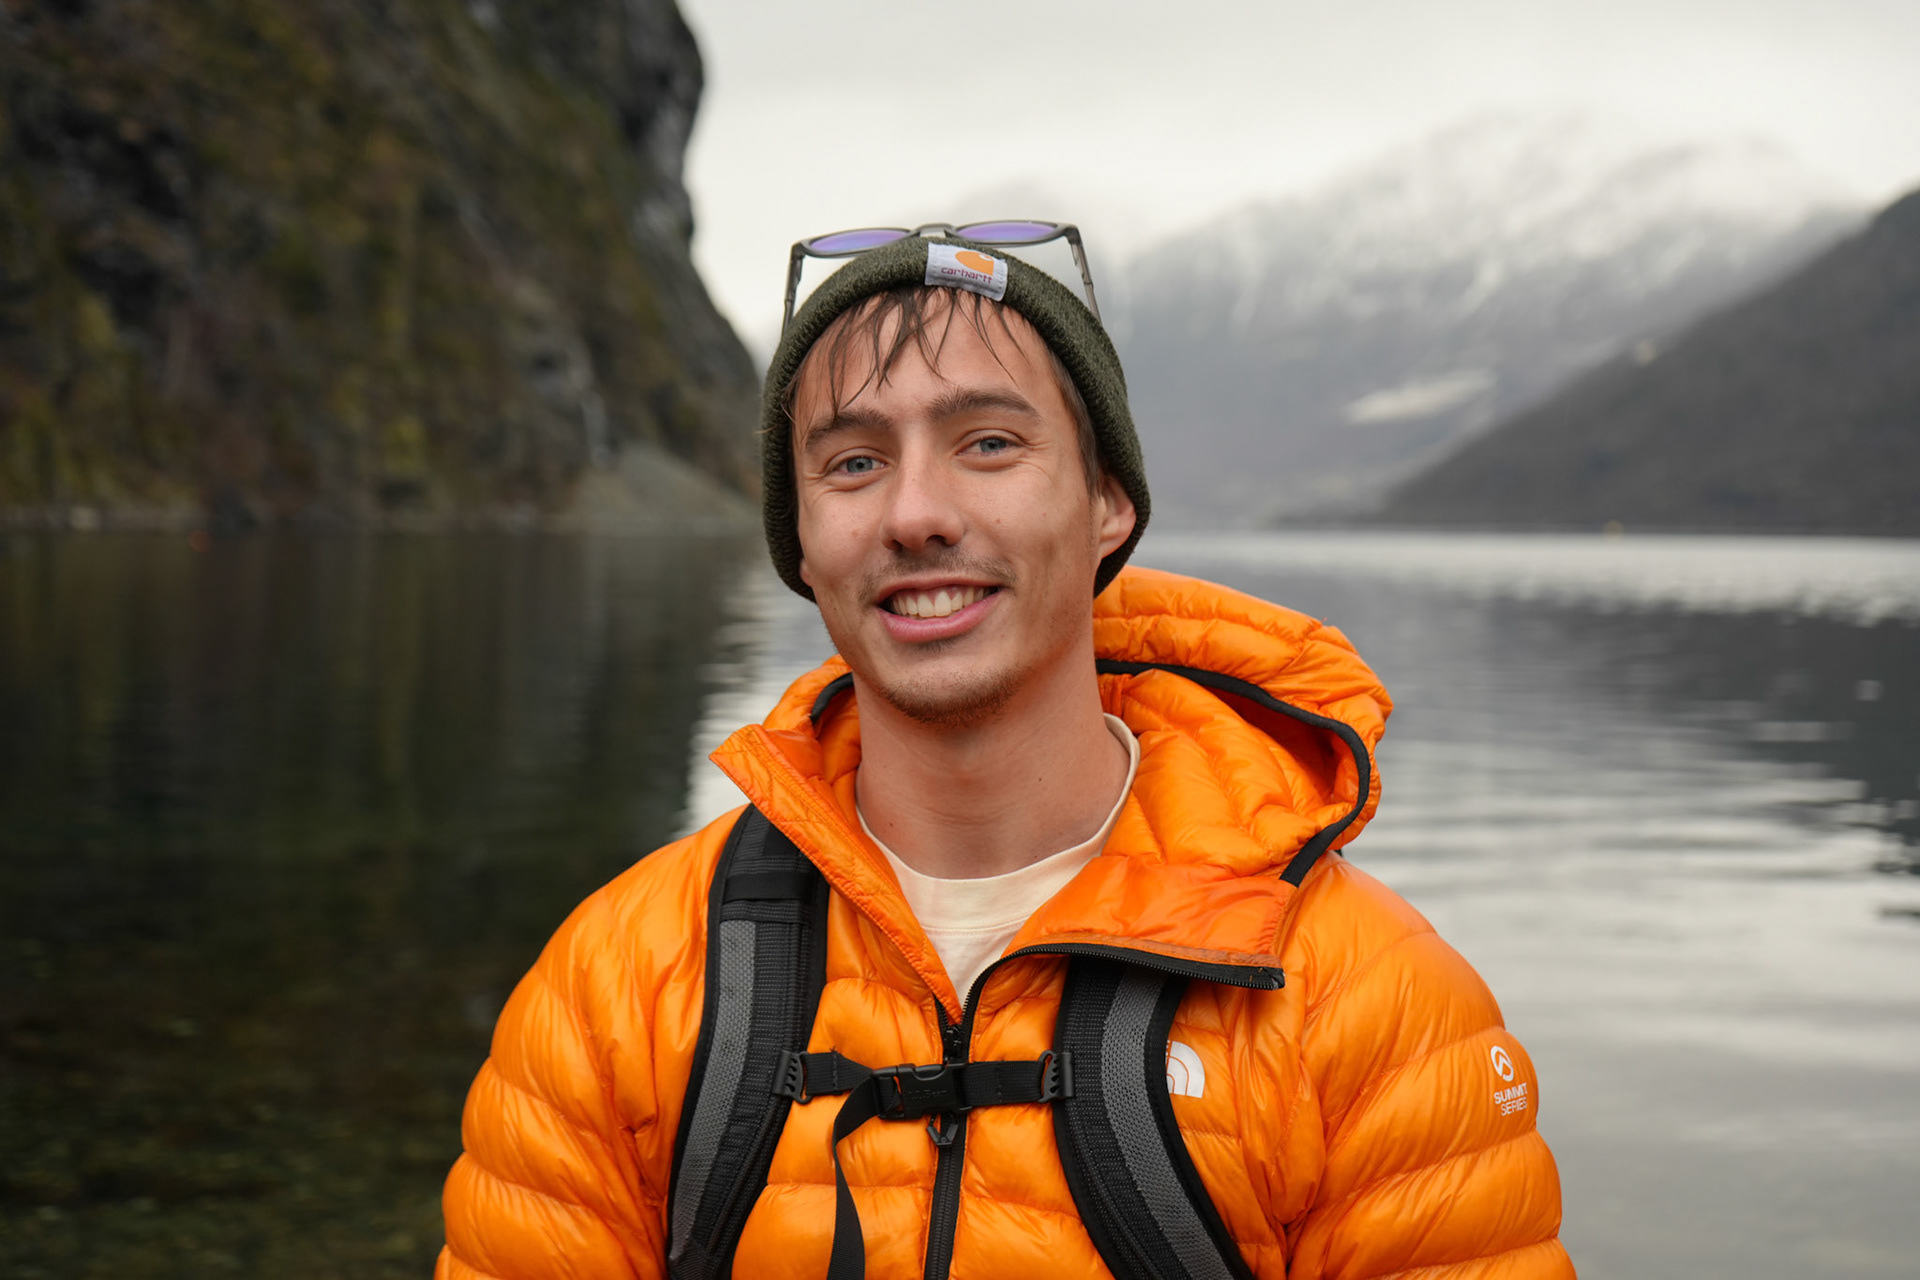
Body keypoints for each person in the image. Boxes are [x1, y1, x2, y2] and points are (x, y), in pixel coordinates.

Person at [436, 226, 1573, 1279]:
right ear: (802, 544)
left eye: (988, 443)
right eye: (851, 463)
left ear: (1108, 502)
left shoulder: (1365, 1004)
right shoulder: (620, 984)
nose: (915, 514)